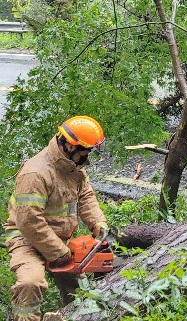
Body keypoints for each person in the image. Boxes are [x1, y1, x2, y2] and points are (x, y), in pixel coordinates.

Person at [2, 116, 109, 321]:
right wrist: (60, 252)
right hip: (27, 240)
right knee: (30, 283)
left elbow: (85, 196)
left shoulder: (72, 166)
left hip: (59, 240)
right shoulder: (36, 173)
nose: (88, 155)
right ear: (70, 145)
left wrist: (98, 223)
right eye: (86, 150)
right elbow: (29, 222)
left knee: (78, 286)